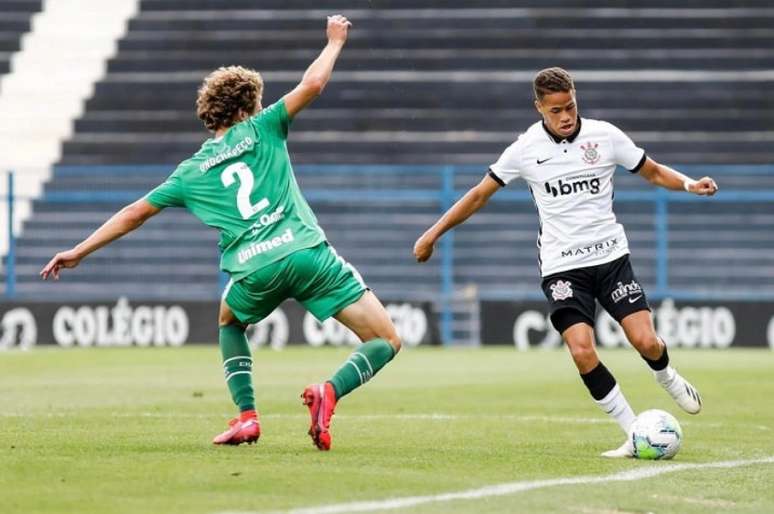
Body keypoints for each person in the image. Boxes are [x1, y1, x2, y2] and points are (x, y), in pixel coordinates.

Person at [40, 15, 401, 451]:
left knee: (229, 321)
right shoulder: (264, 126)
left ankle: (247, 417)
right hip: (307, 253)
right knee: (385, 339)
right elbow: (313, 85)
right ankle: (330, 391)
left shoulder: (190, 172)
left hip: (254, 270)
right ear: (247, 107)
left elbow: (135, 213)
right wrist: (334, 42)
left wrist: (79, 250)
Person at [413, 67, 717, 458]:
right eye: (556, 110)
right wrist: (431, 234)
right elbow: (478, 195)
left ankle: (667, 376)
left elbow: (653, 171)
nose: (566, 116)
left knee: (645, 340)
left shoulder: (605, 136)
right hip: (562, 266)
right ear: (539, 107)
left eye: (570, 106)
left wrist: (690, 184)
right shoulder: (524, 150)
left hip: (610, 257)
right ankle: (633, 432)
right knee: (581, 351)